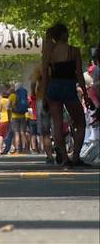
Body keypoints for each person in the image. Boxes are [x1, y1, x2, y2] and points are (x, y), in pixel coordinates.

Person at [41, 23, 92, 167]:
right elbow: (79, 76)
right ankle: (75, 156)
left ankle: (64, 158)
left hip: (53, 87)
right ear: (63, 34)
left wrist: (44, 94)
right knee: (80, 122)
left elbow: (45, 75)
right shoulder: (73, 51)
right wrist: (85, 93)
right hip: (68, 87)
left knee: (57, 124)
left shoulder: (49, 52)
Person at [9, 82, 30, 153]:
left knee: (16, 133)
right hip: (23, 115)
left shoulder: (12, 95)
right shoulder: (24, 94)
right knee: (22, 132)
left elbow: (8, 107)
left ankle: (17, 149)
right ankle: (25, 148)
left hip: (15, 116)